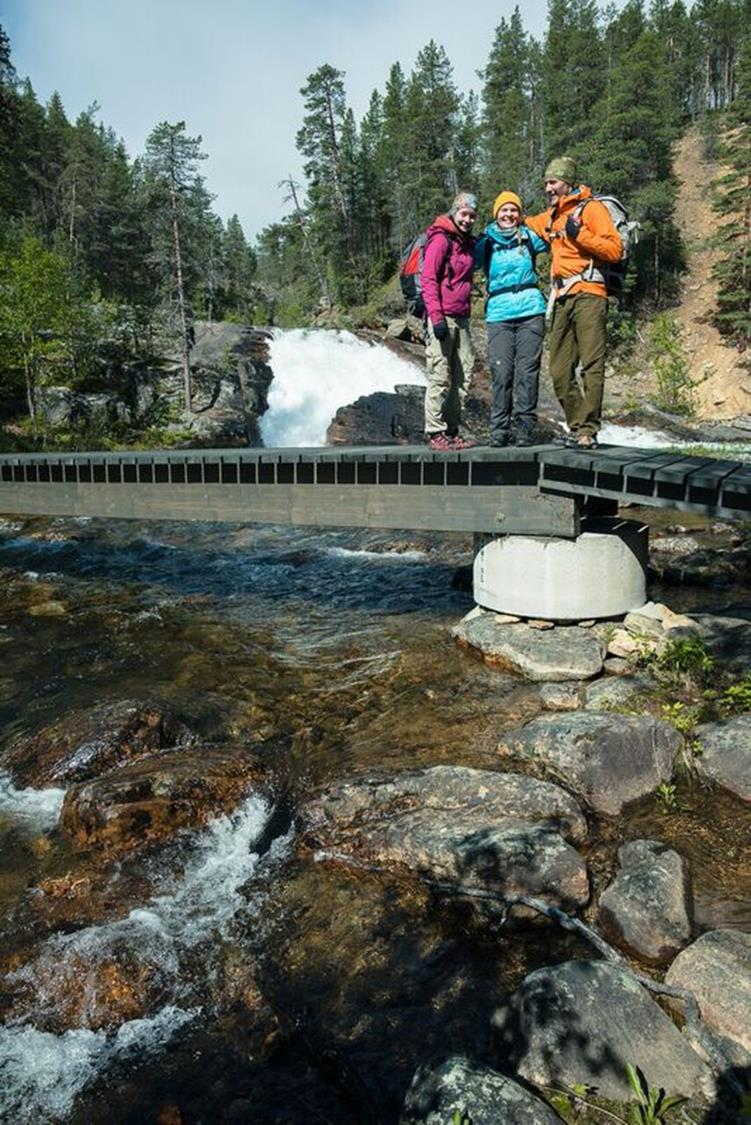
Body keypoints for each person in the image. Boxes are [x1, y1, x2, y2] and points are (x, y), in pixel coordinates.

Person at [525, 156, 622, 450]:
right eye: (545, 183)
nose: (548, 188)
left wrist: (579, 234)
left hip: (590, 292)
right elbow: (525, 223)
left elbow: (614, 249)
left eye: (552, 182)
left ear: (567, 182)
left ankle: (587, 431)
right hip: (562, 297)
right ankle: (578, 424)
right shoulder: (552, 215)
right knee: (558, 369)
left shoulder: (590, 209)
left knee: (592, 364)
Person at [475, 190, 548, 447]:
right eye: (504, 210)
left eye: (513, 210)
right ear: (496, 213)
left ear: (519, 214)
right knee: (501, 372)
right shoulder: (485, 241)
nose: (509, 214)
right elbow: (463, 261)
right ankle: (499, 430)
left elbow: (556, 240)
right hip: (499, 313)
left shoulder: (530, 238)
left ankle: (525, 430)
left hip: (530, 310)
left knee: (528, 373)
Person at [421, 190, 478, 451]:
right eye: (464, 214)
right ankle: (435, 432)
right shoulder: (440, 240)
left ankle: (452, 429)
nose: (468, 220)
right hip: (442, 317)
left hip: (463, 318)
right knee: (440, 375)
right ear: (455, 212)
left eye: (472, 216)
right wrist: (436, 317)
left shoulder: (466, 243)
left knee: (463, 374)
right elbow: (429, 279)